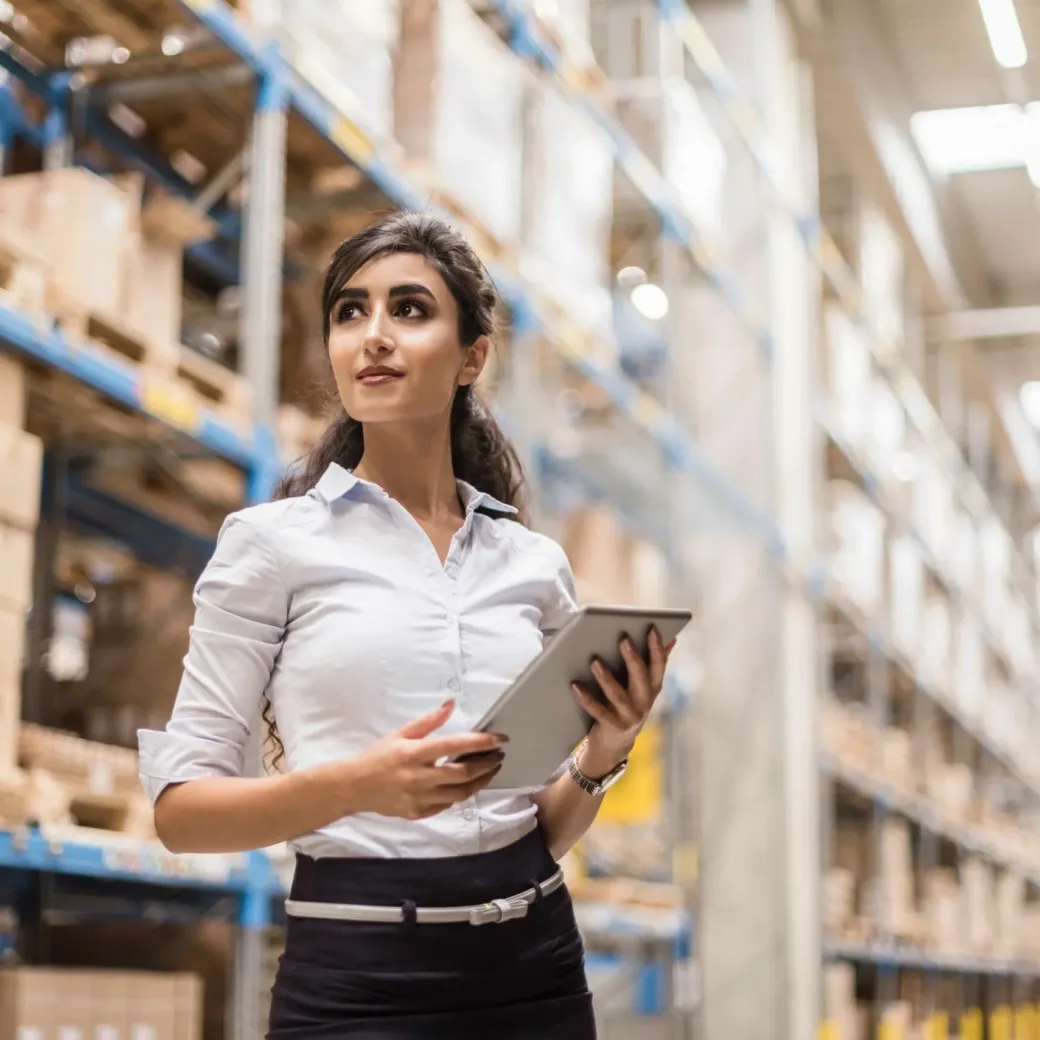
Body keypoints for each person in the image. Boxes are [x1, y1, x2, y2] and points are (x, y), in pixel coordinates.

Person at [138, 212, 674, 1039]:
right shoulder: (271, 546)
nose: (374, 336)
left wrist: (607, 747)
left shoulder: (532, 566)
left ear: (472, 358)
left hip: (536, 971)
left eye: (410, 310)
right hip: (359, 979)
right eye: (351, 312)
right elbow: (181, 814)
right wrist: (360, 786)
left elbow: (537, 833)